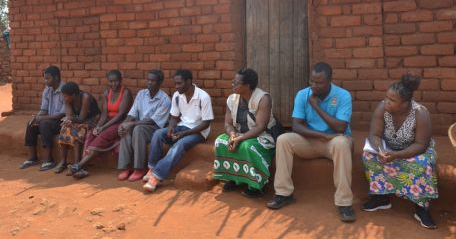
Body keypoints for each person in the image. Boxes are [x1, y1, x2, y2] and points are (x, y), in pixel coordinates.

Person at [267, 62, 356, 223]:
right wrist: (321, 136)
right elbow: (296, 126)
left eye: (319, 82)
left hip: (335, 142)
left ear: (330, 80)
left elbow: (341, 127)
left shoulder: (343, 95)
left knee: (342, 144)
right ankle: (283, 193)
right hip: (312, 140)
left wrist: (316, 106)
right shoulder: (302, 94)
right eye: (312, 81)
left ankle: (344, 203)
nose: (314, 86)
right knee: (283, 140)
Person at [362, 73, 438, 229]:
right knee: (369, 156)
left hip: (415, 151)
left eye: (392, 100)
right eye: (386, 97)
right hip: (390, 148)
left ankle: (421, 207)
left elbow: (421, 144)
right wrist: (380, 149)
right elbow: (374, 134)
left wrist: (397, 155)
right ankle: (381, 197)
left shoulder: (420, 113)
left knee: (422, 163)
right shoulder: (382, 108)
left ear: (405, 103)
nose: (386, 102)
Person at [143, 69, 214, 192]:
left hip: (199, 131)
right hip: (182, 126)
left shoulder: (203, 97)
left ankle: (156, 177)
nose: (176, 87)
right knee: (158, 134)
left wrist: (184, 134)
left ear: (189, 81)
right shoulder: (177, 95)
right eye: (175, 83)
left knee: (179, 144)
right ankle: (152, 168)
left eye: (179, 83)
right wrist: (171, 128)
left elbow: (206, 123)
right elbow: (174, 117)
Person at [213, 68, 276, 197]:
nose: (232, 84)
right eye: (233, 81)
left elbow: (260, 127)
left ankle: (255, 186)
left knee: (248, 147)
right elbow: (227, 123)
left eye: (236, 83)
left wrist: (240, 139)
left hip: (262, 136)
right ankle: (234, 179)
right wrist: (232, 135)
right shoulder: (232, 99)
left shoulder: (263, 98)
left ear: (247, 86)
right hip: (239, 134)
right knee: (220, 141)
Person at [68, 70, 133, 179]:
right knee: (91, 134)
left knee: (103, 135)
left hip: (121, 122)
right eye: (111, 81)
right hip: (108, 121)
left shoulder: (125, 92)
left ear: (120, 80)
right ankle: (82, 167)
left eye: (116, 81)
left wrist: (104, 127)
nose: (114, 84)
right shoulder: (107, 93)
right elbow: (104, 114)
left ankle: (78, 165)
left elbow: (120, 115)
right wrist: (98, 127)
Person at [117, 70, 171, 182]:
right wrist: (124, 124)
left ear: (160, 82)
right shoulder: (142, 94)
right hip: (139, 124)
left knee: (138, 129)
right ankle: (125, 167)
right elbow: (132, 113)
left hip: (154, 128)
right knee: (126, 130)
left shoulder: (165, 100)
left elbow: (153, 121)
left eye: (153, 80)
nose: (149, 83)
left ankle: (139, 168)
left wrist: (131, 124)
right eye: (148, 80)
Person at [20, 66, 65, 171]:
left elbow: (61, 115)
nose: (45, 81)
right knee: (32, 123)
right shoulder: (47, 90)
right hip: (49, 119)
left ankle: (49, 159)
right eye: (45, 78)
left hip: (62, 122)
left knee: (45, 124)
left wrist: (42, 119)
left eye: (48, 79)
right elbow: (44, 109)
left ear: (56, 78)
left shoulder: (64, 90)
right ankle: (32, 157)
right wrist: (37, 117)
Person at [54, 82, 100, 174]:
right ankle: (63, 162)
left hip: (91, 120)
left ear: (74, 95)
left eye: (66, 96)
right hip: (77, 120)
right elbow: (69, 116)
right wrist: (68, 121)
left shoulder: (85, 97)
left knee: (77, 131)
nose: (64, 98)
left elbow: (82, 118)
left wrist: (69, 119)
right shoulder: (68, 100)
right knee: (65, 128)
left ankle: (76, 163)